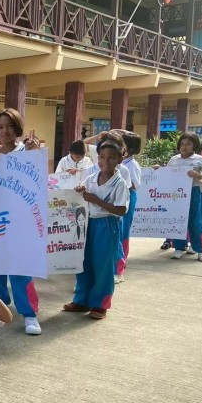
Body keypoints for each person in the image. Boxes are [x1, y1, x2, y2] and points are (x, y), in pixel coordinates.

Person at [0, 108, 43, 335]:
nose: (5, 131)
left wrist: (35, 155)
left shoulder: (27, 151)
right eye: (0, 127)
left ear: (17, 127)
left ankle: (29, 314)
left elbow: (40, 181)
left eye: (9, 126)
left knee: (20, 267)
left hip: (21, 220)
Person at [64, 138, 128, 320]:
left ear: (120, 160)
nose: (105, 161)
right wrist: (79, 190)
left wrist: (96, 200)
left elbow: (121, 210)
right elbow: (82, 194)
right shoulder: (91, 178)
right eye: (102, 157)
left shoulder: (120, 183)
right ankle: (81, 300)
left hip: (106, 225)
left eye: (111, 157)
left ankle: (100, 304)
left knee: (103, 265)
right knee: (83, 263)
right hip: (86, 224)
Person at [154, 132, 202, 262]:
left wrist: (198, 175)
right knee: (177, 220)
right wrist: (159, 169)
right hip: (176, 194)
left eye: (188, 144)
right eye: (182, 144)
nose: (184, 147)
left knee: (195, 221)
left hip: (193, 192)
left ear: (194, 145)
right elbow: (167, 173)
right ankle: (179, 248)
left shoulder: (199, 159)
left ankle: (201, 250)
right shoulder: (174, 159)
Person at [115, 132, 143, 283]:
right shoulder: (117, 161)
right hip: (115, 196)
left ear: (129, 148)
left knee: (123, 230)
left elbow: (134, 184)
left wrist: (118, 179)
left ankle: (120, 264)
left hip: (127, 197)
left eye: (121, 143)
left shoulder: (131, 165)